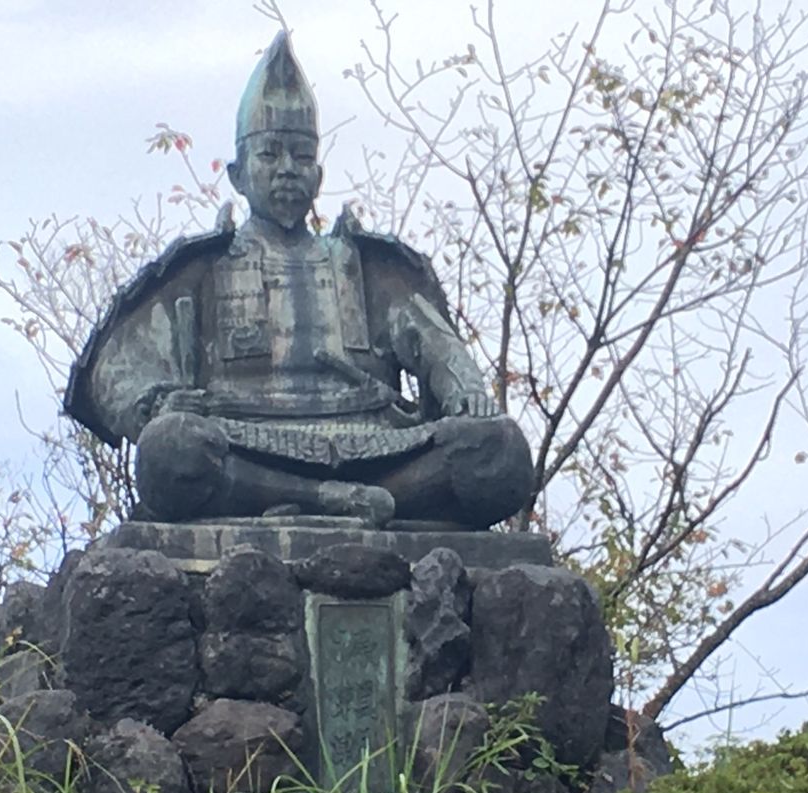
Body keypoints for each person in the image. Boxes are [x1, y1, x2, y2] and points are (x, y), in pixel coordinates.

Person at [65, 32, 533, 529]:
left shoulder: (367, 266)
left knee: (499, 449)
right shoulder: (201, 268)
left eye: (302, 156)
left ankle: (341, 497)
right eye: (270, 154)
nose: (288, 170)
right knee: (170, 450)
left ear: (319, 174)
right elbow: (117, 368)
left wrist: (466, 391)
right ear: (238, 175)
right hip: (242, 443)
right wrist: (157, 402)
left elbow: (438, 345)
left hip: (375, 442)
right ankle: (338, 500)